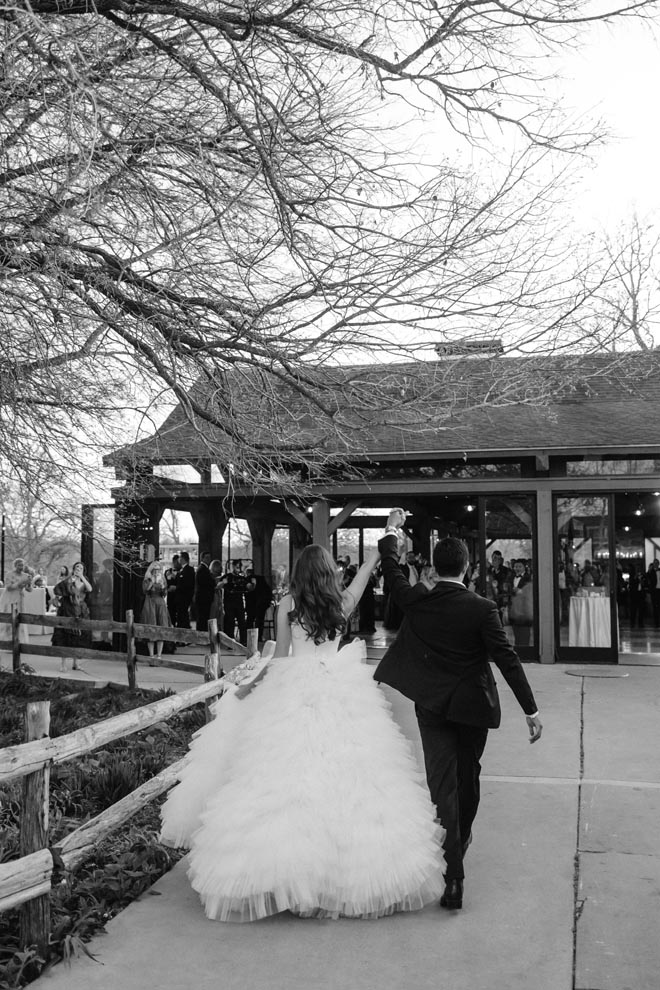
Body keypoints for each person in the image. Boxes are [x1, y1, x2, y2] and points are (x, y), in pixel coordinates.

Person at [160, 536, 445, 922]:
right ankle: (338, 876)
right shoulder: (342, 602)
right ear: (328, 573)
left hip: (292, 690)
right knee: (354, 778)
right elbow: (364, 574)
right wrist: (382, 545)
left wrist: (247, 688)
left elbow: (279, 658)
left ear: (299, 574)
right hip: (340, 688)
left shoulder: (288, 605)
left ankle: (284, 875)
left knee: (285, 778)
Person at [374, 509, 542, 911]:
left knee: (441, 783)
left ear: (434, 567)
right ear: (467, 567)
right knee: (468, 778)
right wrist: (530, 710)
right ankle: (458, 848)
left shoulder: (419, 600)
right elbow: (506, 658)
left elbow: (394, 573)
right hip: (472, 706)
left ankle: (453, 873)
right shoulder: (482, 608)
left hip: (431, 705)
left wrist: (391, 535)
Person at [51, 562, 93, 669]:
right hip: (67, 610)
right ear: (73, 569)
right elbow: (56, 589)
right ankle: (63, 665)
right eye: (77, 567)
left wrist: (82, 577)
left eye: (81, 568)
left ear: (84, 570)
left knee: (78, 637)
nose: (78, 569)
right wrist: (70, 581)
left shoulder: (84, 579)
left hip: (80, 611)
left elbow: (90, 589)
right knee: (65, 637)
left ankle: (76, 664)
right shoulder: (68, 580)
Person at [139, 560, 171, 662]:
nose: (157, 571)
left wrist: (163, 586)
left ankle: (159, 655)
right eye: (155, 569)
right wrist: (151, 581)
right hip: (150, 604)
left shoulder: (162, 579)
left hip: (160, 604)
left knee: (161, 628)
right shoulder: (147, 579)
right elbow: (145, 591)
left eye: (158, 569)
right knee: (151, 630)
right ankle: (151, 655)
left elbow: (165, 593)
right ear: (151, 570)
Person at [0, 558, 35, 647]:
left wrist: (29, 583)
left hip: (19, 598)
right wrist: (20, 582)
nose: (21, 567)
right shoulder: (9, 574)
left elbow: (29, 589)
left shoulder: (25, 575)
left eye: (22, 565)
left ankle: (19, 641)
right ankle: (7, 642)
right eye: (19, 565)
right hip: (9, 597)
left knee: (19, 618)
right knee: (9, 618)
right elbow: (8, 587)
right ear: (15, 566)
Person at [219, 560, 255, 646]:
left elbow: (249, 587)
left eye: (239, 567)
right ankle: (230, 642)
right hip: (229, 602)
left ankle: (243, 641)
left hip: (239, 602)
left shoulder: (242, 578)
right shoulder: (227, 577)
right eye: (236, 567)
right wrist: (223, 583)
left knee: (242, 622)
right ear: (232, 567)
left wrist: (253, 584)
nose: (238, 569)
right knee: (229, 622)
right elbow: (218, 586)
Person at [508, 559, 534, 647]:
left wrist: (520, 591)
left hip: (524, 609)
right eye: (515, 566)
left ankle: (524, 651)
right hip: (514, 609)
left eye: (519, 566)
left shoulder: (529, 578)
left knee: (524, 634)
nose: (517, 568)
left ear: (524, 568)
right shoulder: (511, 577)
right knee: (516, 633)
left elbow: (530, 592)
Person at [244, 567, 273, 641]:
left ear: (247, 573)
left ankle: (249, 637)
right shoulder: (261, 579)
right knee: (260, 620)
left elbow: (248, 590)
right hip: (263, 602)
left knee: (250, 619)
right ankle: (259, 636)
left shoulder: (247, 579)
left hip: (252, 602)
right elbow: (268, 591)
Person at [193, 551, 215, 633]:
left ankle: (202, 635)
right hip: (203, 598)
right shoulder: (202, 569)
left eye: (209, 557)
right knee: (202, 618)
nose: (209, 559)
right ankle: (201, 636)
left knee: (204, 618)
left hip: (204, 598)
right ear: (202, 558)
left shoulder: (204, 569)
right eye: (206, 557)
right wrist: (214, 582)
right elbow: (206, 583)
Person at [174, 551, 195, 631]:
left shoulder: (189, 570)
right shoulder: (181, 570)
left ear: (182, 559)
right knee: (180, 617)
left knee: (183, 617)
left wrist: (176, 588)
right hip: (180, 598)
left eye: (179, 558)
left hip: (184, 598)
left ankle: (184, 634)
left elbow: (187, 584)